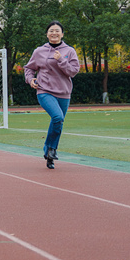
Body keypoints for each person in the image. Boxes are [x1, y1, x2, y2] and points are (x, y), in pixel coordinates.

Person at [23, 21, 80, 169]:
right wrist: (30, 79)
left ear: (62, 34)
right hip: (45, 90)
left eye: (57, 31)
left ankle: (49, 153)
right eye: (51, 31)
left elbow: (73, 72)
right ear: (47, 34)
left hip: (64, 93)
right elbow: (29, 68)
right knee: (57, 117)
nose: (54, 33)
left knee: (58, 121)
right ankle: (51, 149)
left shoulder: (69, 51)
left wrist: (61, 60)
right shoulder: (39, 51)